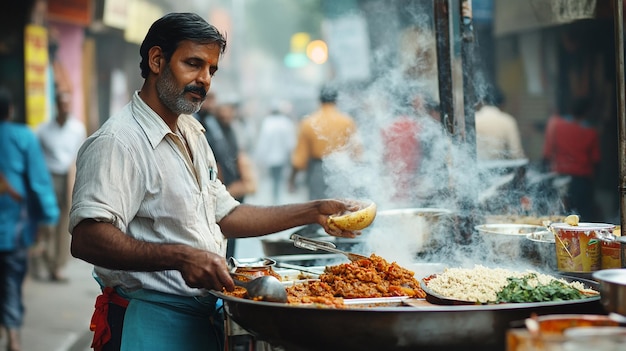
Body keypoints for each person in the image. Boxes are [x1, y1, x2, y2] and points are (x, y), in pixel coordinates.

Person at [68, 13, 360, 351]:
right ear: (157, 60)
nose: (204, 79)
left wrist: (314, 210)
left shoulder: (191, 131)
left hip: (200, 319)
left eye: (211, 70)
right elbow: (88, 239)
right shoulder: (119, 142)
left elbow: (227, 216)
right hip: (147, 322)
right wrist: (181, 257)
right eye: (193, 64)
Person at [0, 86, 59, 351]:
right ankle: (13, 336)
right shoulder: (22, 136)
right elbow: (37, 182)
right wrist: (49, 214)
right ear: (10, 110)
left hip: (14, 228)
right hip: (14, 230)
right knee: (11, 282)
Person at [35, 88, 86, 282]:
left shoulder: (77, 128)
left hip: (68, 176)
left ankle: (58, 266)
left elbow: (78, 157)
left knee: (64, 222)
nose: (64, 108)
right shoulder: (43, 130)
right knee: (48, 222)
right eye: (61, 104)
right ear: (56, 105)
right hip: (48, 177)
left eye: (67, 104)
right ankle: (47, 259)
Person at [204, 100, 257, 258]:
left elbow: (239, 154)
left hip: (235, 186)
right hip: (222, 188)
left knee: (233, 234)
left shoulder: (232, 129)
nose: (227, 114)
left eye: (230, 111)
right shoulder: (211, 130)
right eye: (224, 111)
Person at [289, 84, 360, 200]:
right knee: (341, 206)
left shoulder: (308, 122)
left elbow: (299, 159)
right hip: (341, 169)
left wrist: (291, 180)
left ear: (319, 100)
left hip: (317, 170)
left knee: (318, 208)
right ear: (336, 100)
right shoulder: (347, 121)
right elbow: (356, 152)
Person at [542, 97, 600, 220]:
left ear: (570, 110)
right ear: (587, 112)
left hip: (559, 178)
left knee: (560, 216)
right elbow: (595, 160)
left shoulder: (557, 126)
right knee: (582, 218)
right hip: (582, 181)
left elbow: (547, 154)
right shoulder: (591, 132)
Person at [254, 100, 296, 204]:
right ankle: (278, 199)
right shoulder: (285, 122)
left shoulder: (267, 123)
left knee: (273, 179)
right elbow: (290, 142)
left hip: (270, 158)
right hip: (282, 157)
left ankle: (275, 198)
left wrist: (260, 157)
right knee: (279, 178)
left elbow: (263, 142)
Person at [474, 88, 525, 161]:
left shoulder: (475, 118)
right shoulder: (507, 120)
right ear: (503, 104)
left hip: (476, 168)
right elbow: (516, 153)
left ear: (482, 102)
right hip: (499, 168)